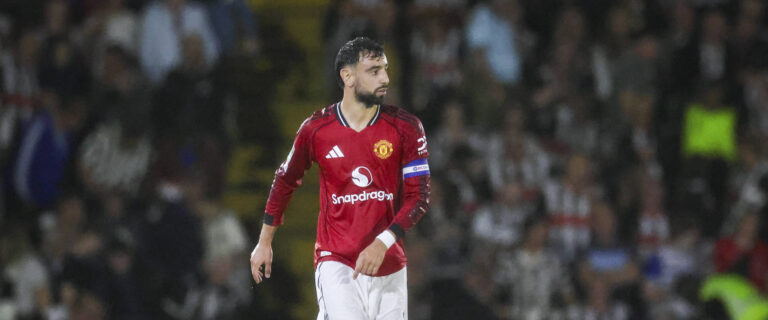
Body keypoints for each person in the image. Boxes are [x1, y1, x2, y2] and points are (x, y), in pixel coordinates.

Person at [249, 37, 431, 320]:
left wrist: (382, 242)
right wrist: (264, 242)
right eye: (374, 71)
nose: (385, 78)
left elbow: (418, 197)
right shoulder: (316, 129)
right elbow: (285, 179)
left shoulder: (406, 128)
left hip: (389, 262)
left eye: (385, 69)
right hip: (337, 260)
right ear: (347, 76)